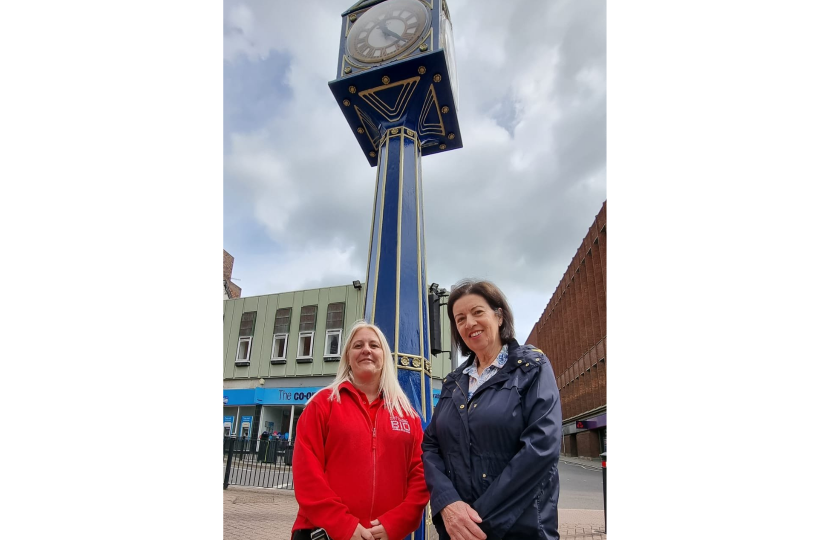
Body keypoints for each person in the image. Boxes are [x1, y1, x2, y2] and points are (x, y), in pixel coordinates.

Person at [422, 279, 562, 540]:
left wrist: (475, 520)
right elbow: (431, 445)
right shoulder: (453, 382)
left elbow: (542, 448)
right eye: (460, 318)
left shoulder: (532, 367)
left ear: (499, 316)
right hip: (457, 530)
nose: (469, 323)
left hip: (519, 530)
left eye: (477, 312)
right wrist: (448, 503)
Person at [291, 321, 429, 540]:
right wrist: (344, 526)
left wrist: (397, 522)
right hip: (325, 533)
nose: (366, 349)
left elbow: (421, 475)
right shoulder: (322, 404)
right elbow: (307, 473)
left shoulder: (408, 414)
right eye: (358, 345)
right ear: (347, 357)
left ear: (384, 357)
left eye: (374, 345)